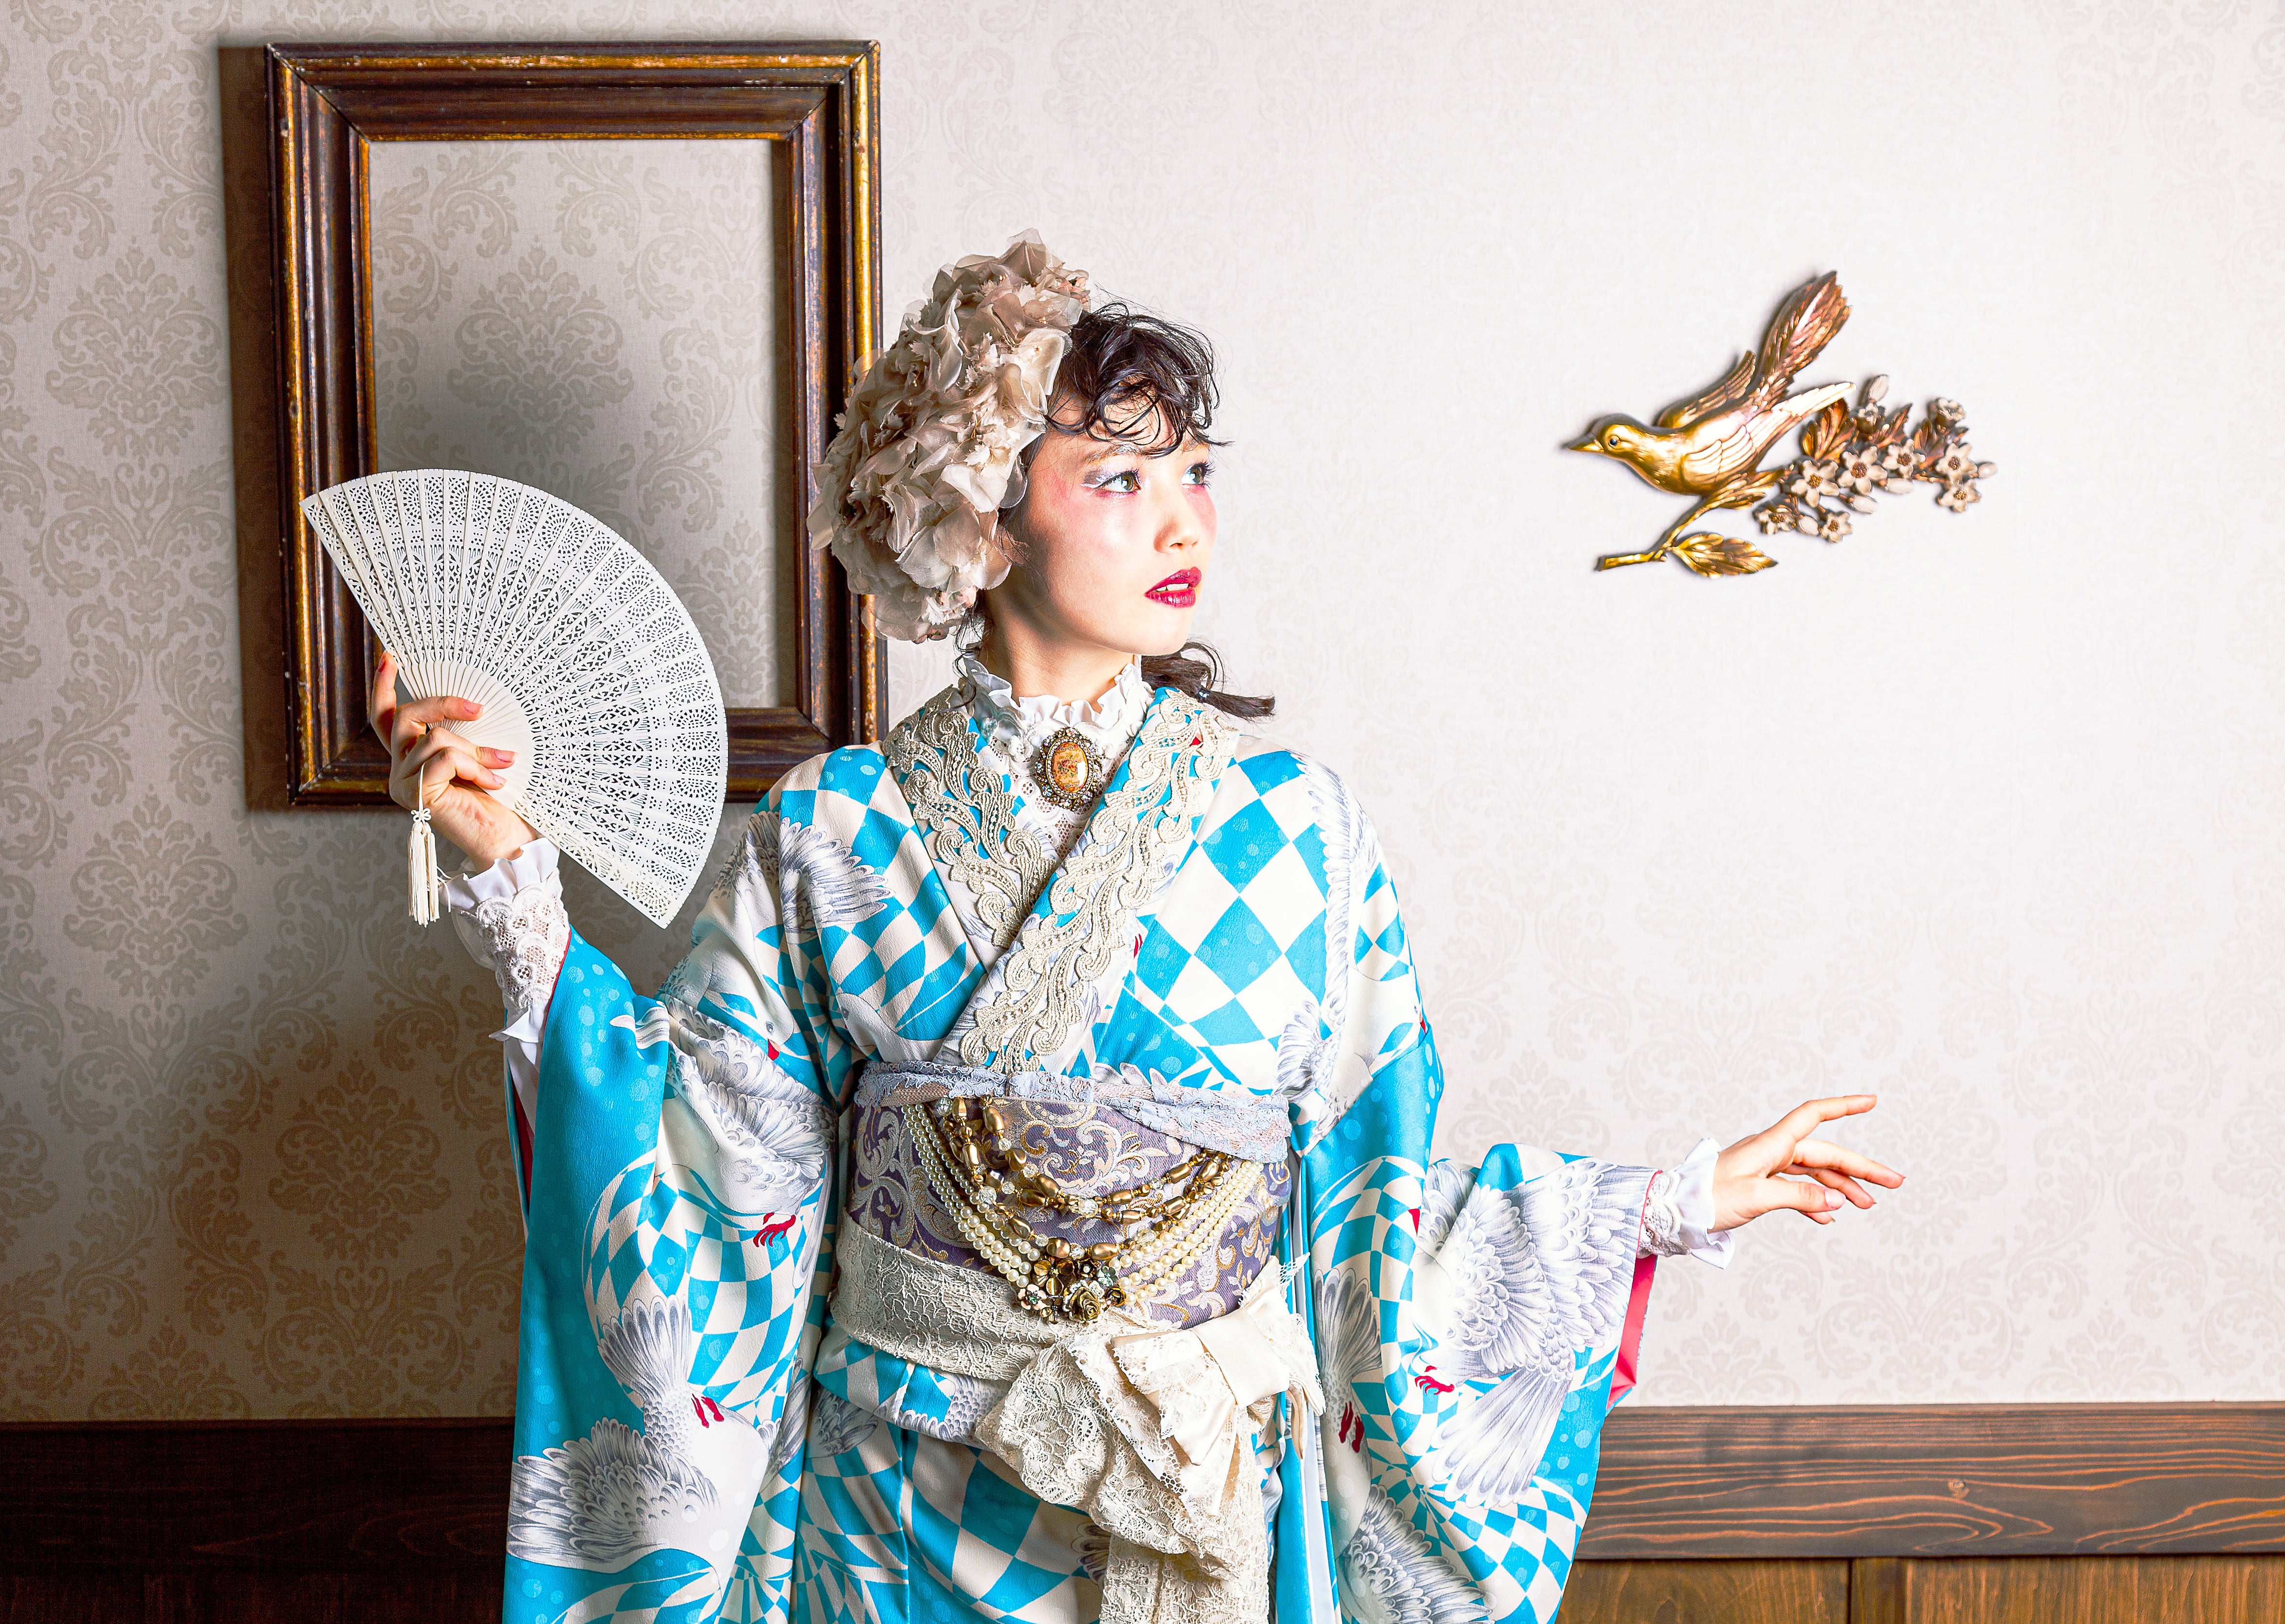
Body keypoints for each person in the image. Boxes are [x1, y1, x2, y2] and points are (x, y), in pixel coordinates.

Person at [375, 234, 1902, 1624]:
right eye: (1117, 478)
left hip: (1203, 1500)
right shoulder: (831, 828)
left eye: (1195, 471)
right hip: (895, 1524)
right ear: (974, 514)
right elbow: (708, 1191)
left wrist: (1668, 1201)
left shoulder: (1296, 828)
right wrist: (514, 883)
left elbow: (1369, 1208)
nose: (1185, 520)